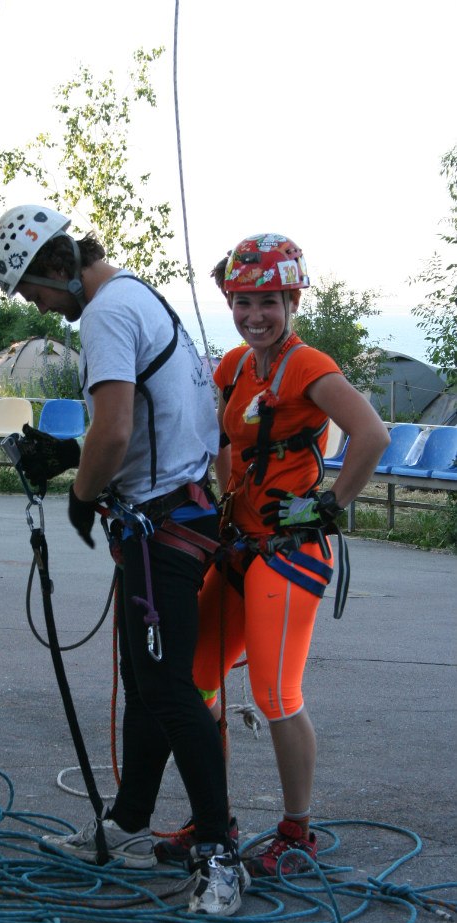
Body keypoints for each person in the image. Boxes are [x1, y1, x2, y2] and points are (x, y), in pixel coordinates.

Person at [0, 204, 250, 915]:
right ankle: (130, 820)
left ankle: (219, 853)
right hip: (172, 512)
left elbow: (117, 426)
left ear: (58, 265)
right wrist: (79, 460)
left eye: (32, 291)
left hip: (163, 526)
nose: (38, 307)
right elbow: (156, 424)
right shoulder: (141, 297)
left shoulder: (106, 313)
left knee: (168, 689)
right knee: (146, 681)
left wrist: (80, 491)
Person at [154, 233, 390, 876]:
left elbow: (372, 435)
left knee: (274, 693)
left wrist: (329, 504)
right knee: (193, 676)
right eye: (241, 301)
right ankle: (213, 818)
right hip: (240, 548)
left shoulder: (307, 365)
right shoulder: (234, 366)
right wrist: (223, 502)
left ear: (291, 299)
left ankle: (297, 833)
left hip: (290, 553)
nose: (254, 314)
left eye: (267, 301)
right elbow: (219, 441)